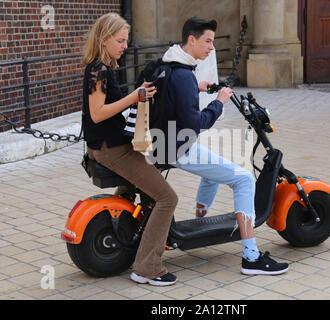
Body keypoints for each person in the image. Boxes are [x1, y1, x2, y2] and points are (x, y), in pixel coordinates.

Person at [160, 16, 289, 275]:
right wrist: (218, 102)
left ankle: (199, 223)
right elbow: (197, 124)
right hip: (176, 146)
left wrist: (197, 87)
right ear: (191, 40)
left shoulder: (169, 65)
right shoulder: (183, 74)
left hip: (163, 141)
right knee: (243, 179)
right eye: (207, 41)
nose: (211, 47)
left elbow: (170, 90)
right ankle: (251, 257)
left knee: (214, 175)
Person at [82, 13, 178, 286]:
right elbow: (98, 113)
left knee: (133, 189)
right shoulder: (98, 70)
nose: (125, 45)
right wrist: (134, 96)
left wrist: (138, 94)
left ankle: (126, 240)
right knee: (167, 198)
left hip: (109, 146)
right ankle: (148, 268)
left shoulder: (100, 67)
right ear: (104, 39)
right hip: (111, 150)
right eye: (120, 40)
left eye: (126, 40)